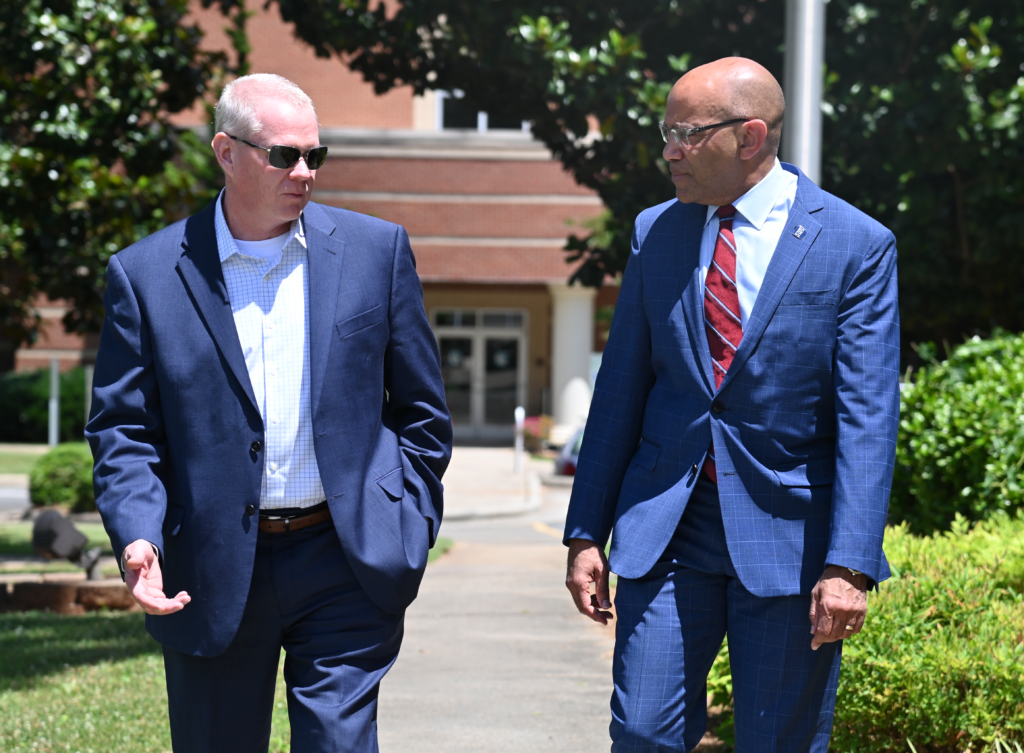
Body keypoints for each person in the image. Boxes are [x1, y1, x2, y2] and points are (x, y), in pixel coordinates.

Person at [86, 73, 452, 752]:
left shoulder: (377, 253)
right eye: (285, 155)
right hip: (212, 567)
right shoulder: (146, 274)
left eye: (316, 154)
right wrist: (138, 532)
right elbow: (124, 429)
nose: (305, 172)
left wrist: (408, 514)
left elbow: (422, 410)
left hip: (344, 561)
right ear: (226, 151)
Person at [563, 57, 899, 752]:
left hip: (790, 538)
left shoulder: (855, 245)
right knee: (642, 730)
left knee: (779, 739)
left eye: (686, 134)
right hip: (669, 525)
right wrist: (585, 530)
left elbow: (868, 418)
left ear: (749, 136)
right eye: (666, 131)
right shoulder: (657, 231)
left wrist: (848, 565)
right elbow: (620, 388)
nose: (668, 152)